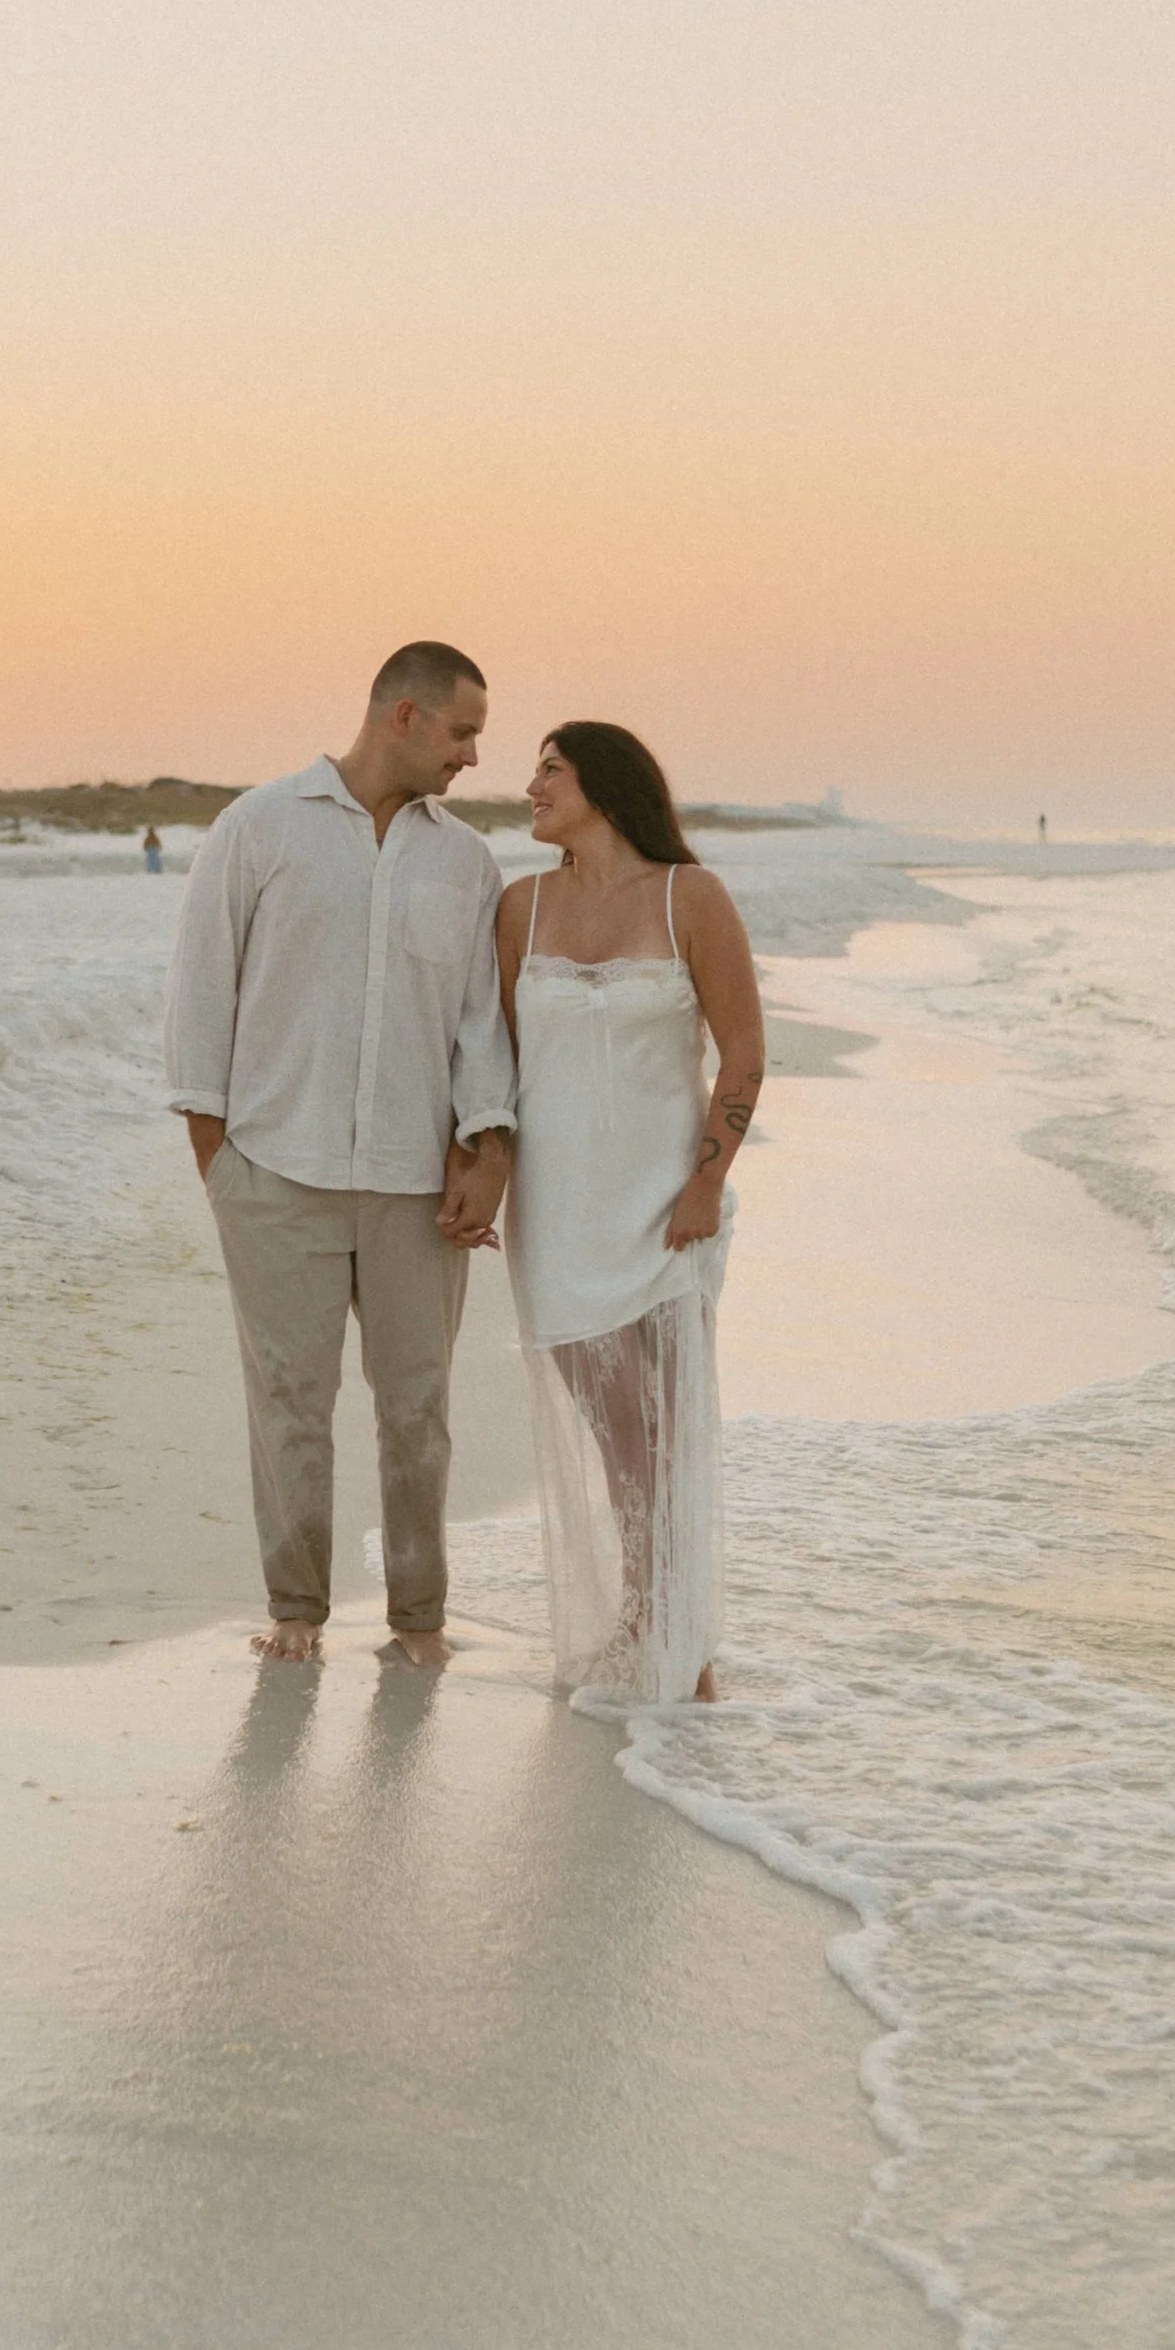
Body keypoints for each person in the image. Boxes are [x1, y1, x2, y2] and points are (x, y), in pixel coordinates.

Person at [162, 644, 514, 1667]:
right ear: (403, 716)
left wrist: (482, 1143)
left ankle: (419, 1623)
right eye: (462, 733)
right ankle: (296, 1613)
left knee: (418, 1413)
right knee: (289, 1406)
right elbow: (199, 992)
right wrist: (217, 1158)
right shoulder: (259, 827)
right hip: (274, 1173)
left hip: (415, 1186)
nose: (472, 757)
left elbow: (478, 1023)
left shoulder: (465, 860)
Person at [498, 726, 764, 1705]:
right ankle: (646, 1618)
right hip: (557, 1215)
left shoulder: (688, 897)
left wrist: (703, 1184)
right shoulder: (518, 909)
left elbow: (741, 1054)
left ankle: (678, 1643)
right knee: (613, 1436)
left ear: (605, 789)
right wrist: (479, 1172)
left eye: (549, 772)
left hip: (663, 1210)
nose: (529, 787)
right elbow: (491, 1062)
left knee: (664, 1431)